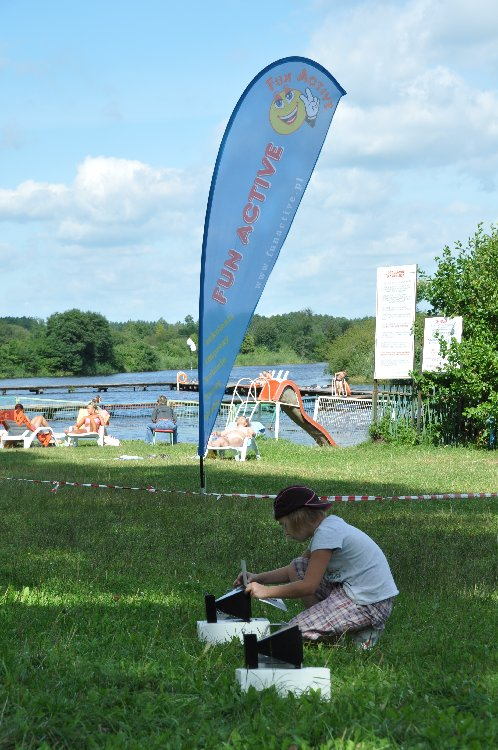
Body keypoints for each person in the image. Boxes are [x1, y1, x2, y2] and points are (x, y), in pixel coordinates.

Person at [236, 485, 398, 648]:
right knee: (298, 566)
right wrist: (258, 578)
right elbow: (295, 569)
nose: (285, 532)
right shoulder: (327, 528)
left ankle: (363, 630)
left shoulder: (327, 533)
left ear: (299, 518)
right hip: (356, 593)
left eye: (284, 525)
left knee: (290, 633)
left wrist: (266, 591)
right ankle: (329, 630)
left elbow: (308, 586)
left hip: (369, 603)